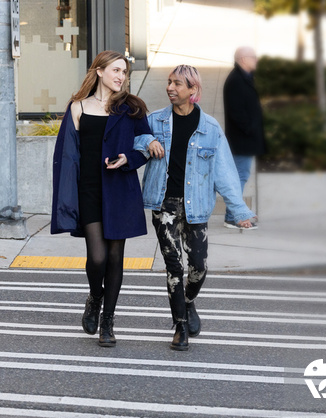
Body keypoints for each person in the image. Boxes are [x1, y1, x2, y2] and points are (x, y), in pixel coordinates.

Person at [134, 65, 256, 351]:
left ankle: (188, 304)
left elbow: (224, 172)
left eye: (177, 83)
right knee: (174, 267)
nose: (170, 88)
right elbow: (133, 140)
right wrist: (147, 140)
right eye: (169, 82)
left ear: (193, 90)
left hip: (196, 207)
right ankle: (179, 326)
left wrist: (239, 211)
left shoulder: (210, 128)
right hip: (164, 205)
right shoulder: (155, 121)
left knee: (198, 267)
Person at [51, 50, 152, 348]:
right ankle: (95, 296)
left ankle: (108, 321)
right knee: (97, 258)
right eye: (116, 70)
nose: (121, 76)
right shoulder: (78, 107)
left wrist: (128, 159)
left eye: (124, 72)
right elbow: (68, 156)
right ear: (99, 71)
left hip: (120, 189)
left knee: (115, 258)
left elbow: (144, 145)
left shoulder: (132, 108)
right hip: (90, 190)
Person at [222, 46, 267, 230]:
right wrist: (251, 129)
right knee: (238, 177)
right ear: (243, 59)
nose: (256, 59)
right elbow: (236, 112)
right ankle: (233, 216)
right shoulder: (236, 81)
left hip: (245, 139)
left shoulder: (245, 78)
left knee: (239, 176)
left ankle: (233, 214)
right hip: (241, 140)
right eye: (253, 57)